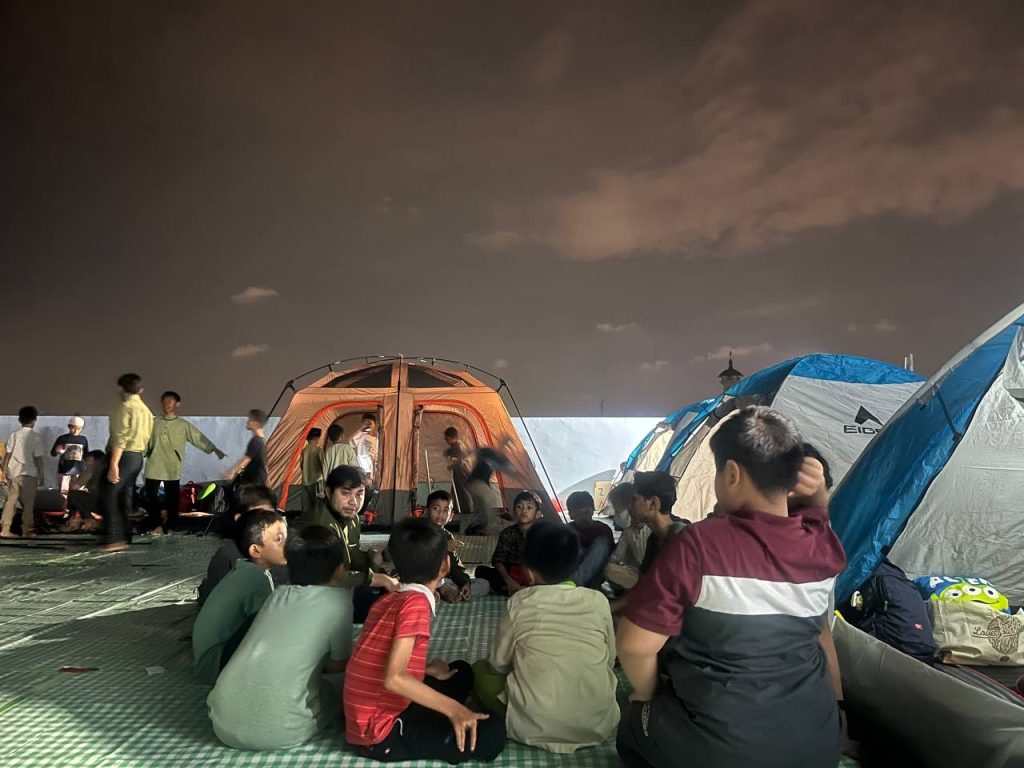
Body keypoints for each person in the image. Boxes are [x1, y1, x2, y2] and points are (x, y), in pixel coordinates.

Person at [615, 406, 847, 768]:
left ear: (733, 473)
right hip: (818, 746)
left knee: (632, 723)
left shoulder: (699, 543)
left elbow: (633, 645)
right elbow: (818, 516)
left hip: (721, 750)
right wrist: (817, 494)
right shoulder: (823, 544)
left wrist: (647, 695)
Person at [344, 517, 506, 763]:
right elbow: (393, 678)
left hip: (369, 710)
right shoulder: (416, 604)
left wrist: (426, 670)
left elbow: (377, 656)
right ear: (445, 565)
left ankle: (441, 710)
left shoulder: (388, 599)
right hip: (382, 733)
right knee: (493, 733)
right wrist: (455, 710)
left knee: (460, 670)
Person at [473, 521, 617, 752]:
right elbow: (609, 660)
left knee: (480, 671)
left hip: (531, 724)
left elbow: (498, 665)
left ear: (529, 572)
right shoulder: (598, 601)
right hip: (596, 724)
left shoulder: (519, 602)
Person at [207, 525, 353, 750]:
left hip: (223, 723)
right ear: (340, 570)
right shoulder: (339, 601)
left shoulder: (277, 595)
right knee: (348, 679)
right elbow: (338, 665)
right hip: (283, 731)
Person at [193, 508, 288, 685]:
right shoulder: (256, 577)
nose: (287, 545)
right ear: (256, 551)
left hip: (210, 662)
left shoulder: (245, 568)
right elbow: (270, 628)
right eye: (279, 539)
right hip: (217, 666)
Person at [302, 464, 399, 621]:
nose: (354, 502)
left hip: (338, 587)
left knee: (389, 593)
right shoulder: (319, 525)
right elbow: (329, 577)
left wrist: (377, 566)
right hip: (315, 597)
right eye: (345, 493)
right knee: (384, 604)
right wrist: (378, 579)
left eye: (359, 494)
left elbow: (354, 556)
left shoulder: (352, 519)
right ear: (328, 492)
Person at [144, 391, 225, 534]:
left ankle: (171, 526)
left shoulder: (182, 425)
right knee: (151, 496)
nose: (166, 404)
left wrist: (213, 449)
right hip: (154, 464)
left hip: (172, 466)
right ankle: (156, 525)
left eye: (170, 401)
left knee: (172, 498)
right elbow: (145, 441)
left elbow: (197, 437)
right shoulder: (154, 423)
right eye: (164, 401)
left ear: (177, 404)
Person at [609, 472, 688, 614]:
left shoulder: (682, 539)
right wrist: (607, 609)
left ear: (653, 503)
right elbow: (644, 586)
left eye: (634, 499)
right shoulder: (653, 540)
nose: (630, 506)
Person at [98, 374, 155, 552]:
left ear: (121, 388)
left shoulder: (124, 407)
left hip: (123, 456)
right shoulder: (146, 410)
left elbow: (120, 437)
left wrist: (114, 464)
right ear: (140, 390)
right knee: (126, 496)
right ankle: (124, 536)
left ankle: (113, 538)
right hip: (137, 457)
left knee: (109, 494)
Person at [197, 484, 280, 606]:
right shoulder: (228, 555)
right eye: (258, 516)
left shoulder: (286, 552)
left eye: (271, 516)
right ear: (239, 519)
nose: (266, 523)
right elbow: (214, 602)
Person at [425, 490, 488, 603]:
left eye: (445, 510)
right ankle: (440, 590)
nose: (440, 514)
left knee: (484, 585)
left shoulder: (447, 536)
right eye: (436, 509)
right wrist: (443, 549)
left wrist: (465, 583)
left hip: (444, 580)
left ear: (451, 516)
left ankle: (454, 591)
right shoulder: (418, 532)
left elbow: (454, 565)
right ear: (426, 511)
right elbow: (418, 561)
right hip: (422, 578)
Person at [475, 491, 541, 596]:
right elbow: (498, 561)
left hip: (535, 575)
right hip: (511, 573)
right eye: (519, 507)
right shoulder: (508, 533)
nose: (524, 511)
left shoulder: (542, 533)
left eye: (529, 508)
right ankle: (512, 587)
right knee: (480, 571)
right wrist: (509, 580)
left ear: (537, 514)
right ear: (514, 512)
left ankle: (509, 589)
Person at [1, 406, 46, 538]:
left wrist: (3, 472)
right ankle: (27, 530)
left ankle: (5, 529)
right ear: (34, 420)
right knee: (28, 504)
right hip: (30, 473)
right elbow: (38, 459)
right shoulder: (36, 437)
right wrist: (41, 474)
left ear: (19, 419)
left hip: (14, 472)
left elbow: (7, 455)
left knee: (10, 501)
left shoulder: (13, 435)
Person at [604, 483, 651, 593]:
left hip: (655, 576)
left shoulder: (651, 529)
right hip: (636, 576)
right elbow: (616, 557)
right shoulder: (628, 533)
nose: (616, 516)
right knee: (609, 569)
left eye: (618, 511)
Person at [565, 491, 615, 589]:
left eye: (586, 512)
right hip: (571, 571)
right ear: (571, 515)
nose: (583, 517)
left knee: (602, 543)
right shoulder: (566, 530)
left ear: (592, 510)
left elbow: (610, 556)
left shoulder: (603, 529)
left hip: (595, 574)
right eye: (578, 514)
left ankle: (576, 581)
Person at [462, 449, 508, 535]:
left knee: (480, 507)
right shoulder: (489, 456)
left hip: (474, 483)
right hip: (476, 482)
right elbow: (478, 451)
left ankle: (475, 527)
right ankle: (488, 528)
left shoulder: (491, 459)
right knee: (490, 500)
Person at [226, 409, 268, 489]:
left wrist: (232, 472)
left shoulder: (256, 441)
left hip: (253, 483)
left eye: (250, 419)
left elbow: (246, 459)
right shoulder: (261, 441)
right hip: (257, 482)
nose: (247, 422)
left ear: (255, 423)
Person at [51, 416, 89, 504]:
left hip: (79, 469)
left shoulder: (83, 439)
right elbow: (53, 453)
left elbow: (86, 454)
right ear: (69, 427)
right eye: (73, 428)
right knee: (64, 492)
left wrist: (87, 468)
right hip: (64, 470)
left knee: (78, 492)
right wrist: (57, 450)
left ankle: (76, 509)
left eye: (78, 429)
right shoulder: (62, 438)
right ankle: (65, 509)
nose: (76, 431)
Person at [67, 449, 107, 530]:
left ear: (98, 461)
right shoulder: (107, 470)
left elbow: (74, 487)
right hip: (105, 503)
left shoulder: (92, 471)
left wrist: (74, 476)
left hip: (102, 503)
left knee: (73, 495)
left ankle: (89, 519)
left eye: (89, 461)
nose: (87, 463)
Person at [443, 426, 473, 520]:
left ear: (453, 438)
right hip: (462, 472)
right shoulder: (459, 445)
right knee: (457, 491)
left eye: (447, 439)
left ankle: (465, 511)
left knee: (461, 491)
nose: (446, 441)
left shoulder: (456, 447)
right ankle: (459, 509)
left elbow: (458, 460)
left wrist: (450, 466)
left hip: (461, 472)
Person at [319, 423, 357, 495]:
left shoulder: (328, 451)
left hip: (333, 483)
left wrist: (326, 484)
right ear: (342, 436)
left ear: (330, 438)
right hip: (346, 482)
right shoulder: (348, 449)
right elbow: (355, 466)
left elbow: (325, 470)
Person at [351, 412, 379, 483]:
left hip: (374, 468)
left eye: (370, 423)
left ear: (374, 424)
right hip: (362, 468)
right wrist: (361, 429)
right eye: (365, 423)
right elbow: (351, 442)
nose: (368, 425)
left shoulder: (377, 439)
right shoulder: (360, 435)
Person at [300, 427, 323, 512]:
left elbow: (301, 466)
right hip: (316, 481)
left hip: (305, 482)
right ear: (316, 438)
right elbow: (323, 466)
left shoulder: (304, 451)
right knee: (318, 506)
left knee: (306, 508)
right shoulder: (318, 450)